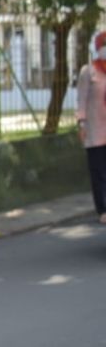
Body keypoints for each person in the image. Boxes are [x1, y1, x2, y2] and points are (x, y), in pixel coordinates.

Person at [75, 29, 106, 224]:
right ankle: (103, 209)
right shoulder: (89, 72)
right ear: (98, 49)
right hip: (95, 130)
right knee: (98, 171)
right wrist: (82, 123)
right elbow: (81, 101)